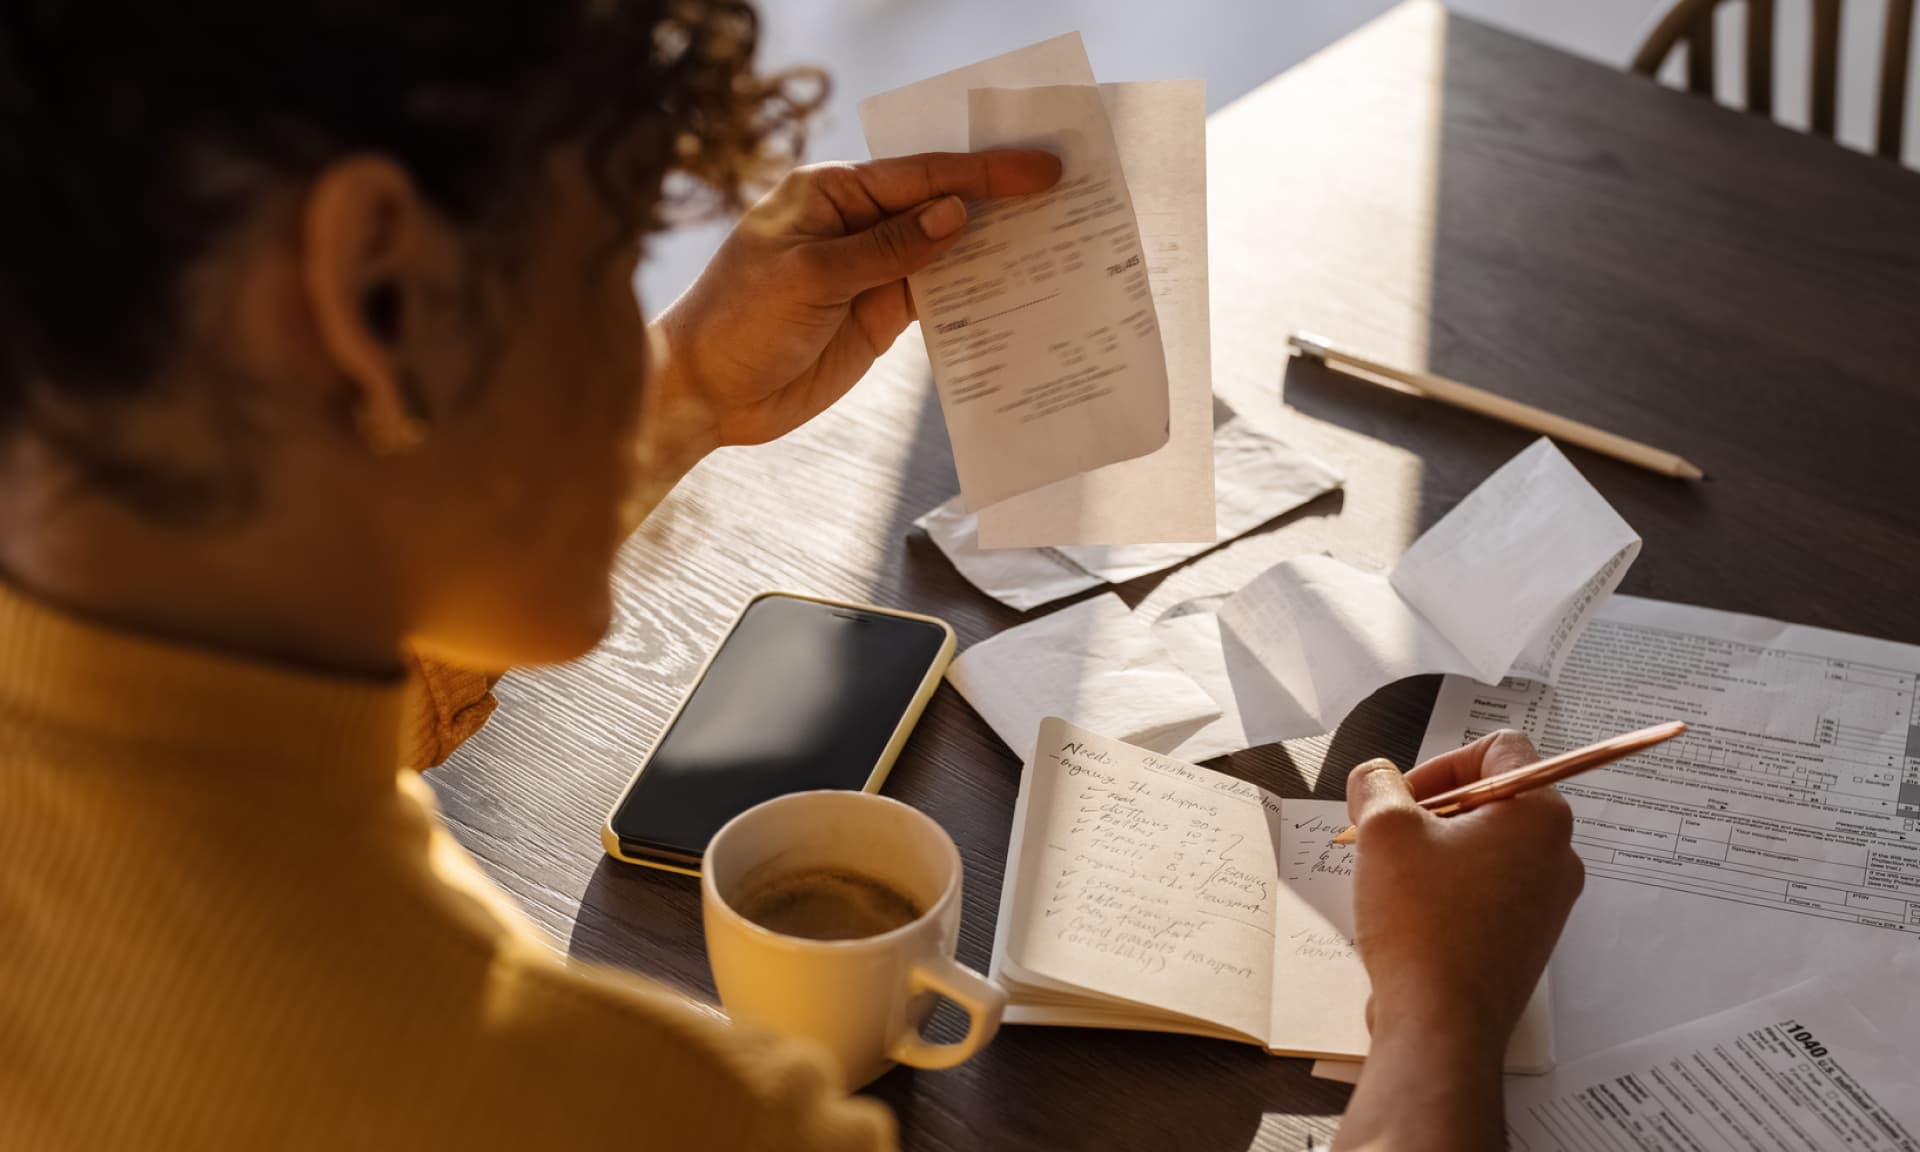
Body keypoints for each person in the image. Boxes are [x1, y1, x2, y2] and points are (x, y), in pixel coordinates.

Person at [0, 2, 1583, 1148]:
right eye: (609, 256)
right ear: (375, 290)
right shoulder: (609, 1112)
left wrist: (683, 389)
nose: (634, 312)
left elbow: (278, 700)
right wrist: (1440, 1013)